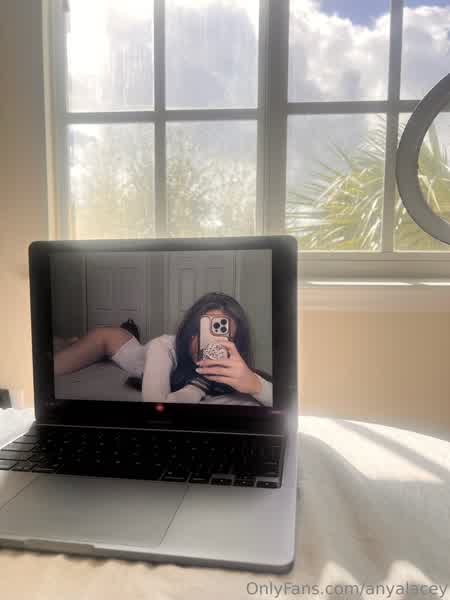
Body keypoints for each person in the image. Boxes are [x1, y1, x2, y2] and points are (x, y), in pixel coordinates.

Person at [53, 292, 272, 406]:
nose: (211, 345)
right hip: (110, 341)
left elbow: (282, 405)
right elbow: (156, 406)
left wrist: (255, 384)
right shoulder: (163, 347)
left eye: (223, 337)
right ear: (190, 332)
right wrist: (200, 384)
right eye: (205, 332)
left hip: (134, 344)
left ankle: (72, 341)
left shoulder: (239, 369)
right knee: (55, 365)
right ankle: (69, 342)